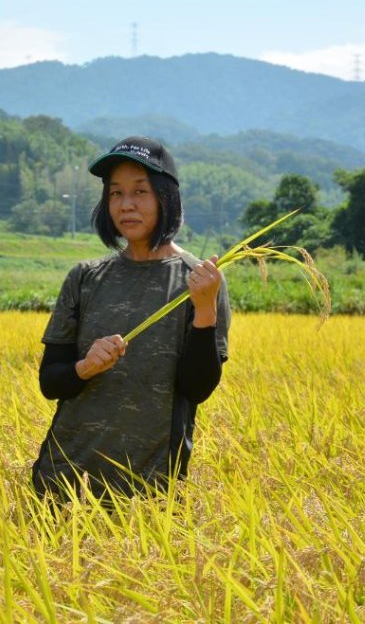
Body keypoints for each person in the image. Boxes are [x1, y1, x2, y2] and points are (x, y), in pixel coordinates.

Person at [31, 136, 230, 500]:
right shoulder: (85, 277)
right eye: (115, 194)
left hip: (149, 489)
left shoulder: (199, 280)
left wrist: (204, 310)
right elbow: (50, 382)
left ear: (165, 197)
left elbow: (197, 389)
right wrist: (85, 367)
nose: (126, 205)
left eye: (140, 192)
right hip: (64, 481)